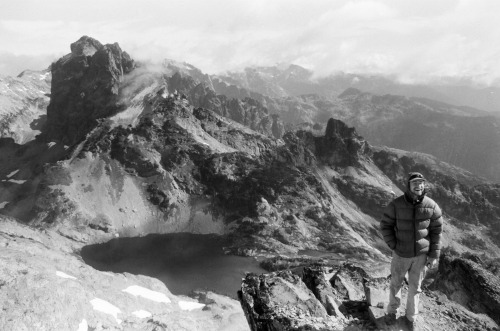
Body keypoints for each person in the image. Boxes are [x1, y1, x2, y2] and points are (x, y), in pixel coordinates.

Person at [380, 172, 443, 330]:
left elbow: (437, 231)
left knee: (416, 287)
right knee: (396, 284)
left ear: (424, 185)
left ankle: (410, 317)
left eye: (421, 182)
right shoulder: (396, 205)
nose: (418, 185)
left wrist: (433, 255)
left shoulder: (431, 206)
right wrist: (393, 244)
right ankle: (392, 313)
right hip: (401, 253)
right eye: (414, 182)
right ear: (408, 186)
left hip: (421, 256)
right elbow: (385, 225)